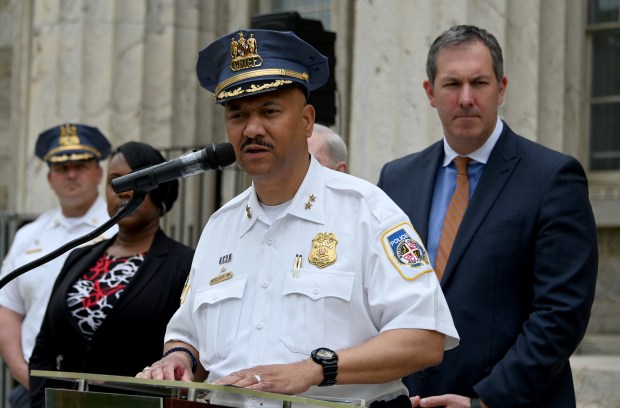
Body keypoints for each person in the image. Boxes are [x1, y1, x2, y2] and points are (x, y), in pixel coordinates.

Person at [136, 28, 459, 408]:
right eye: (238, 115)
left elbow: (424, 338)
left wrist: (314, 369)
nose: (252, 129)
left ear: (307, 121)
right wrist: (179, 358)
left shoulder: (366, 212)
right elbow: (187, 334)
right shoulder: (220, 226)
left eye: (269, 111)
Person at [377, 25, 598, 408]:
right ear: (430, 93)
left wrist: (485, 402)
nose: (466, 98)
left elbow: (560, 315)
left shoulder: (552, 178)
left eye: (479, 82)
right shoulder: (396, 179)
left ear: (502, 88)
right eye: (451, 84)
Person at [28, 141, 195, 407]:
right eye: (115, 181)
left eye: (137, 180)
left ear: (160, 189)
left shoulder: (185, 264)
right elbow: (45, 348)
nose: (123, 191)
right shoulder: (79, 256)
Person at [0, 123, 118, 408]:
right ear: (50, 177)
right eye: (62, 168)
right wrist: (21, 371)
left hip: (101, 391)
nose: (72, 174)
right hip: (30, 390)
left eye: (81, 165)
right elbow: (8, 309)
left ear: (99, 173)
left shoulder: (120, 228)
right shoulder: (29, 235)